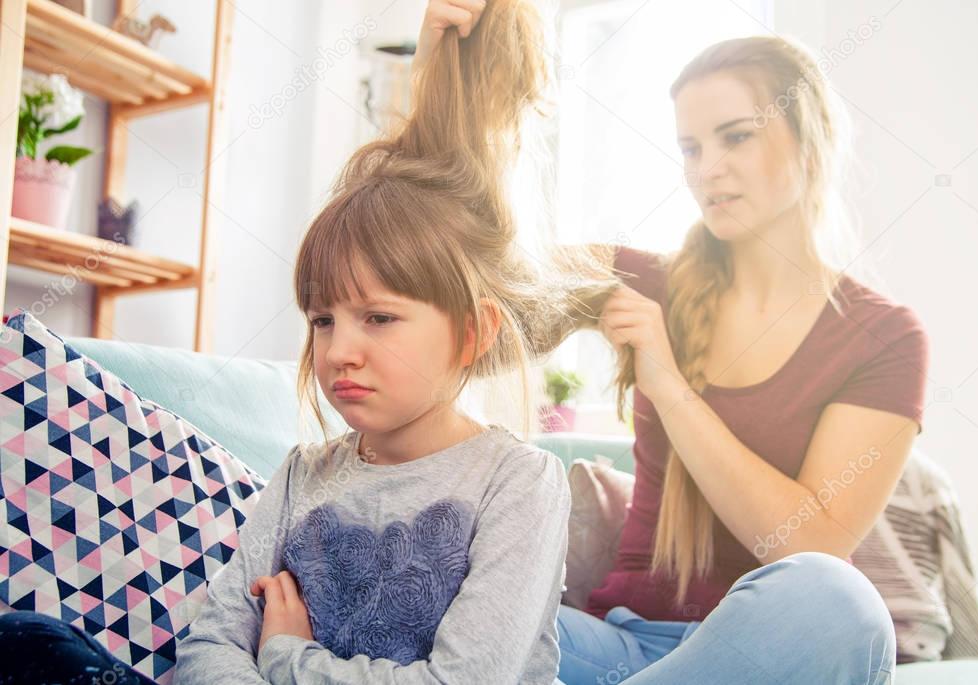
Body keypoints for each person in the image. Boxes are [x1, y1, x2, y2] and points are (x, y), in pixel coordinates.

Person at [0, 2, 598, 683]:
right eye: (321, 319)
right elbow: (210, 644)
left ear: (473, 332)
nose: (339, 349)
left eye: (377, 318)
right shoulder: (298, 476)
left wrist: (287, 656)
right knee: (28, 638)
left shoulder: (519, 482)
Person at [416, 3, 928, 683]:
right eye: (690, 148)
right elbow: (454, 312)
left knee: (840, 603)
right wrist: (439, 87)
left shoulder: (884, 338)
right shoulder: (639, 278)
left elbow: (809, 542)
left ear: (810, 140)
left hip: (770, 654)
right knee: (424, 596)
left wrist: (668, 383)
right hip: (613, 651)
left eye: (736, 137)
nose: (706, 169)